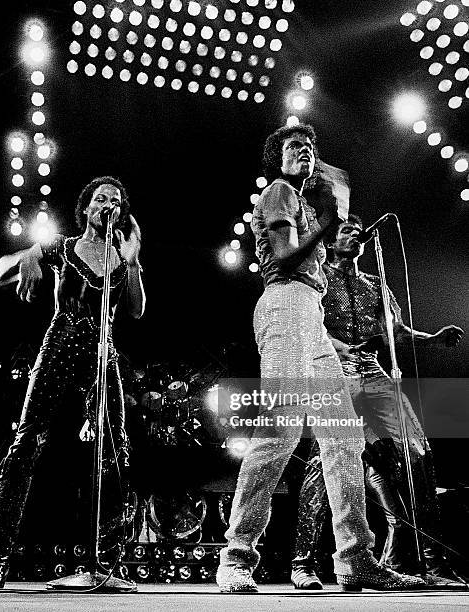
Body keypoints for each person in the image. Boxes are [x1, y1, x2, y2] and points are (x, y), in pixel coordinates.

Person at [215, 124, 425, 593]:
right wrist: (329, 228)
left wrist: (329, 216)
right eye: (295, 147)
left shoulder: (308, 204)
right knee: (280, 431)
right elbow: (288, 259)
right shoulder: (277, 192)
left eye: (310, 148)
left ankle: (356, 559)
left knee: (344, 437)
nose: (305, 153)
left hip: (310, 313)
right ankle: (236, 557)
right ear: (277, 157)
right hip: (285, 303)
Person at [0, 176, 145, 590]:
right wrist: (30, 252)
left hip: (102, 351)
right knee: (28, 441)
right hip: (61, 343)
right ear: (87, 209)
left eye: (116, 202)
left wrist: (135, 259)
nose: (109, 206)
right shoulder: (63, 248)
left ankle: (106, 563)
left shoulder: (122, 259)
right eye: (101, 200)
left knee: (115, 447)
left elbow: (136, 311)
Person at [291, 215, 465, 589]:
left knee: (417, 453)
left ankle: (433, 563)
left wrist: (432, 338)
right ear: (331, 240)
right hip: (332, 371)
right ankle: (303, 563)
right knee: (327, 462)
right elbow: (309, 328)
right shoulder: (316, 279)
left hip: (373, 374)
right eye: (346, 231)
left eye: (359, 232)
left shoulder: (376, 284)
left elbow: (395, 332)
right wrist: (340, 347)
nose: (356, 235)